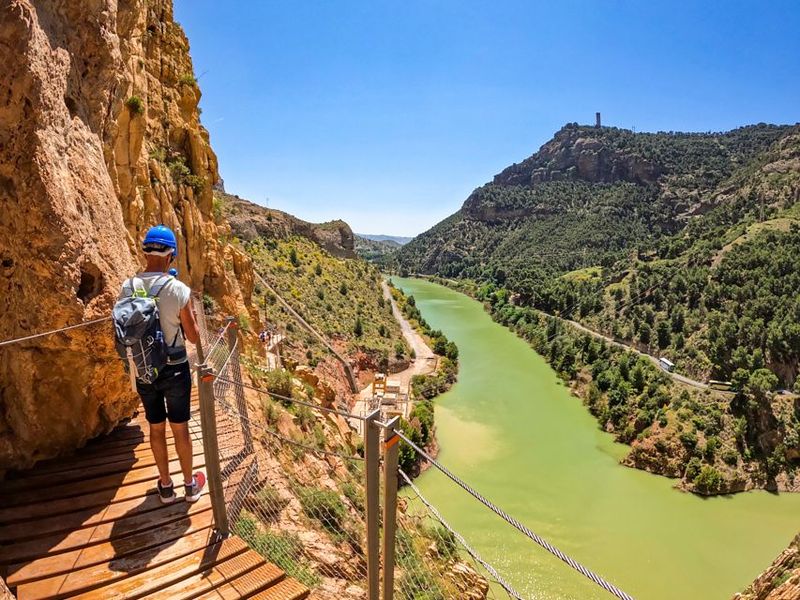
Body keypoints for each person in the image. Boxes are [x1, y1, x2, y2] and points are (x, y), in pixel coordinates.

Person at [120, 224, 205, 504]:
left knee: (156, 427)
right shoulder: (177, 289)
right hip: (175, 366)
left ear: (145, 251)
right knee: (179, 427)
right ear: (171, 255)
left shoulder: (127, 287)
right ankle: (190, 485)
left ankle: (166, 486)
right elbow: (192, 336)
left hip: (143, 368)